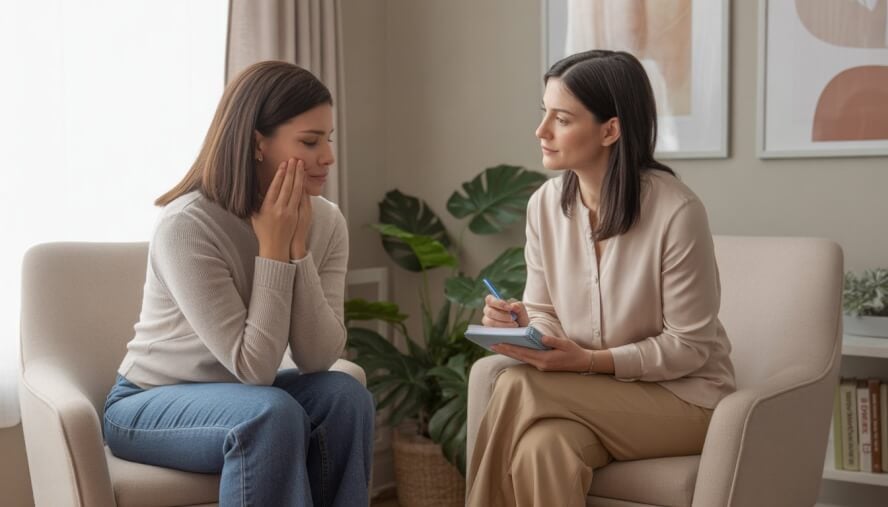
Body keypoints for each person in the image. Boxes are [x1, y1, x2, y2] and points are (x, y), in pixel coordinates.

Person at [467, 50, 736, 507]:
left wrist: (591, 362)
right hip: (590, 395)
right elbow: (547, 313)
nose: (542, 132)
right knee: (541, 450)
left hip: (685, 402)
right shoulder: (543, 206)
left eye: (562, 119)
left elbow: (691, 347)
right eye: (543, 114)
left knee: (513, 384)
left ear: (610, 129)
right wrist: (524, 326)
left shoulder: (677, 212)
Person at [103, 61, 374, 507]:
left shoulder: (326, 220)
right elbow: (255, 369)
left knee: (346, 396)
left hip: (248, 397)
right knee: (271, 413)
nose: (327, 157)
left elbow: (319, 357)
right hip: (150, 403)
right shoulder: (187, 226)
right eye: (309, 141)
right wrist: (272, 248)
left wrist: (298, 251)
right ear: (257, 143)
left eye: (328, 139)